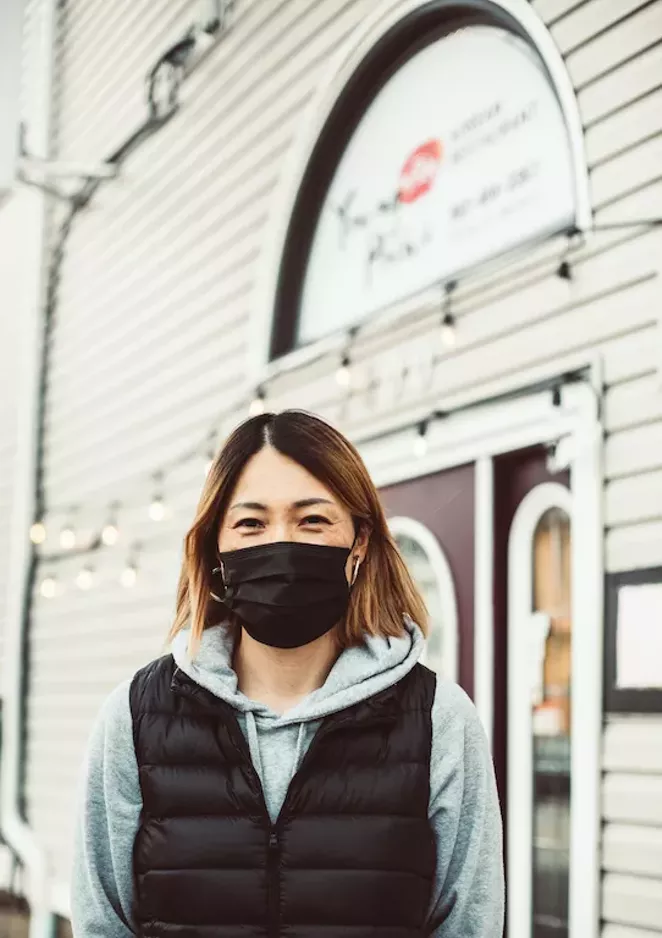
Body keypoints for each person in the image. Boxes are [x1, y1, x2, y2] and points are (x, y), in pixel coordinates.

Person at [71, 410, 504, 938]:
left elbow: (467, 925)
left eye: (312, 520)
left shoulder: (440, 721)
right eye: (251, 523)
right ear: (216, 550)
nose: (281, 543)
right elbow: (103, 921)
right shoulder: (136, 716)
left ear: (359, 544)